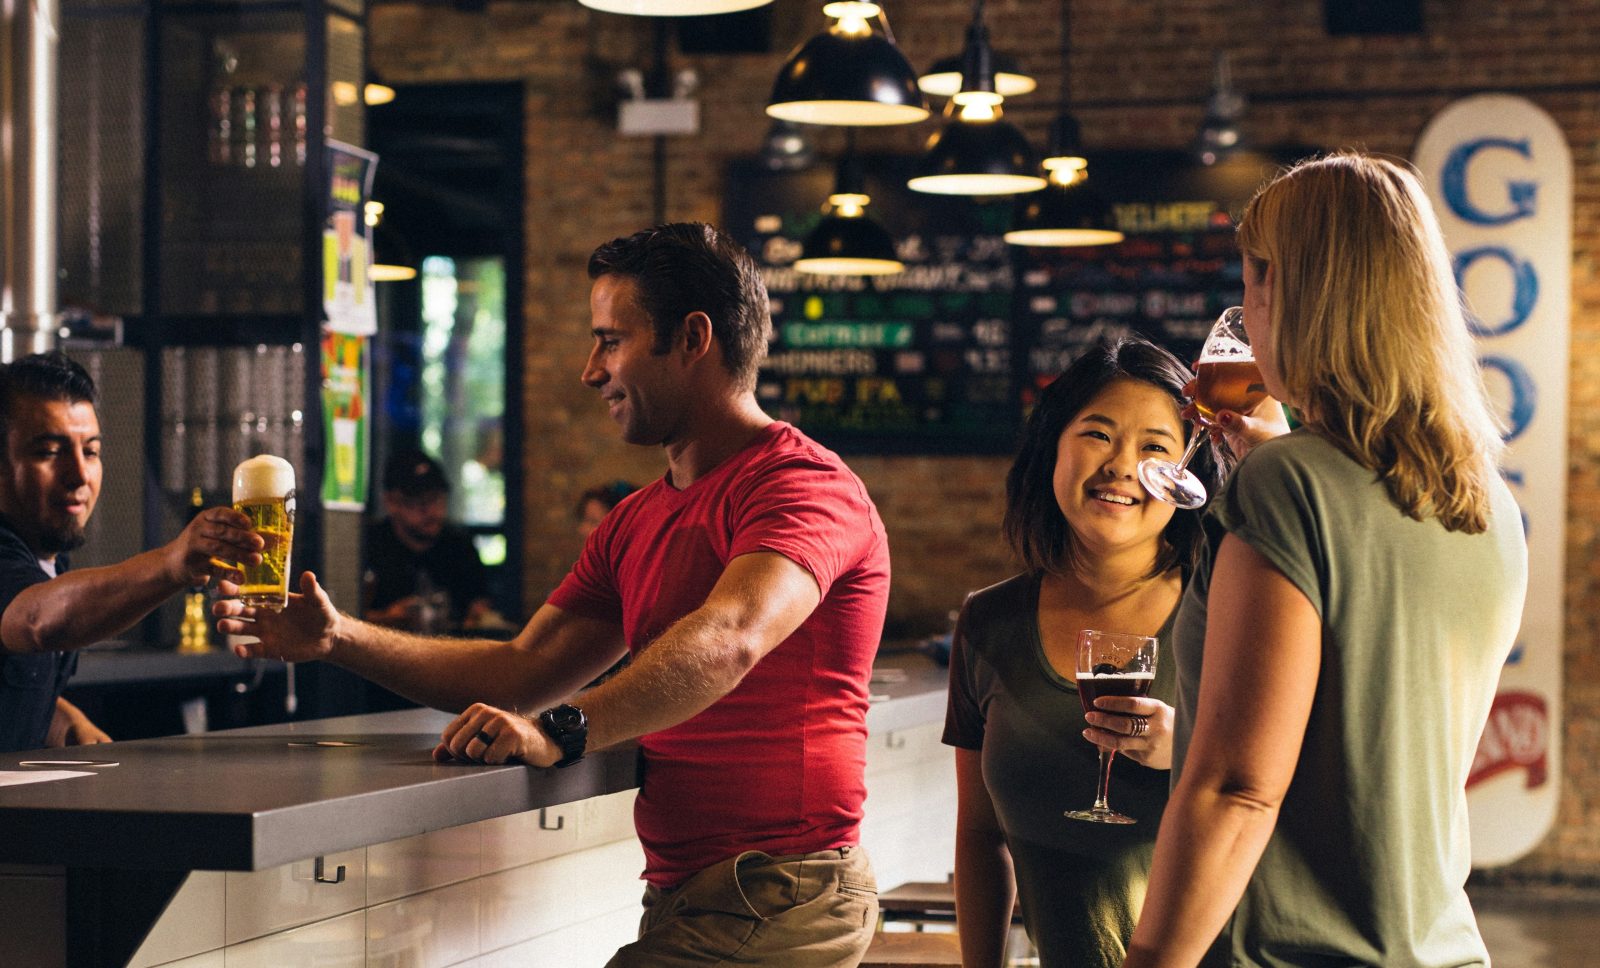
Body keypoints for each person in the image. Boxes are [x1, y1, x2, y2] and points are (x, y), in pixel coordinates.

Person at [216, 222, 891, 967]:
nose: (589, 370)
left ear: (693, 338)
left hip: (783, 890)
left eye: (612, 340)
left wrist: (563, 729)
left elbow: (731, 637)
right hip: (695, 895)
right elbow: (521, 670)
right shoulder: (637, 520)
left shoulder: (801, 486)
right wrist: (338, 638)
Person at [1123, 153, 1529, 968]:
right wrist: (1278, 461)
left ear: (1288, 288)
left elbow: (1238, 788)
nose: (1245, 306)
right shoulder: (1484, 499)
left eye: (1253, 278)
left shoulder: (1291, 485)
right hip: (1442, 945)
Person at [943, 337, 1224, 968]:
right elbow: (980, 836)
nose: (1123, 466)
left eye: (1155, 446)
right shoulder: (988, 623)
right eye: (1098, 435)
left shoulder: (1228, 612)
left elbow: (1293, 806)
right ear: (1053, 448)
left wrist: (1188, 753)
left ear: (1186, 475)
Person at [0, 350, 261, 752]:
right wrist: (172, 563)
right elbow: (37, 621)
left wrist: (66, 721)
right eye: (49, 452)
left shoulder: (45, 555)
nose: (79, 475)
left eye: (90, 451)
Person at [363, 449, 496, 632]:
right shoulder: (368, 545)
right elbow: (343, 617)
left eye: (437, 499)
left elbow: (480, 604)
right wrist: (387, 619)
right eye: (418, 502)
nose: (431, 511)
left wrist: (477, 617)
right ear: (391, 502)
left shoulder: (459, 545)